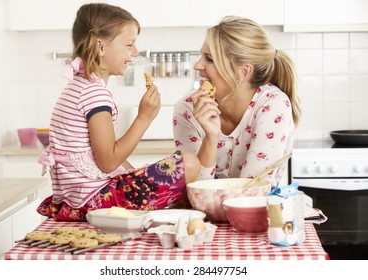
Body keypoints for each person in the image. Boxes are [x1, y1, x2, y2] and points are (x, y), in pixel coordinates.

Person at [36, 3, 200, 221]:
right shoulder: (94, 94)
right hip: (93, 201)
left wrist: (135, 176)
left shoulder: (78, 86)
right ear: (101, 47)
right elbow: (108, 162)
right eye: (129, 44)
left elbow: (104, 159)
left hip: (76, 199)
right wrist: (144, 118)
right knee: (189, 164)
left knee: (164, 177)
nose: (135, 52)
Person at [173, 16, 301, 187]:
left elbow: (252, 191)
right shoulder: (187, 108)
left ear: (243, 71)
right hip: (201, 213)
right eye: (201, 56)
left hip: (256, 211)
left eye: (209, 59)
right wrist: (210, 138)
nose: (197, 65)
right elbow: (193, 191)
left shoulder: (272, 105)